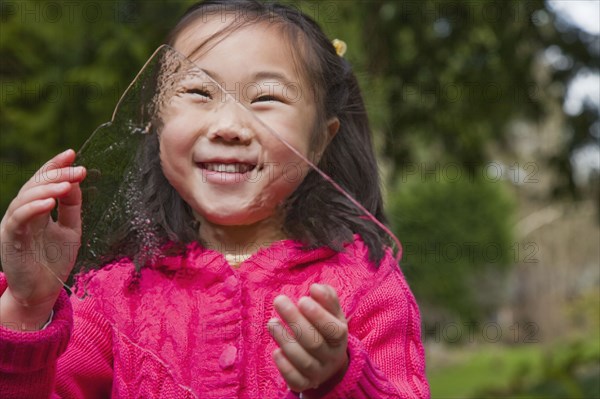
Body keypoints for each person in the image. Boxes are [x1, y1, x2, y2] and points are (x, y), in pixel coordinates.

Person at [0, 1, 429, 398]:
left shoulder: (367, 284)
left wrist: (340, 378)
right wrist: (27, 307)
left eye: (266, 99)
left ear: (320, 140)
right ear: (157, 121)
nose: (227, 125)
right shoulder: (114, 293)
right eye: (198, 93)